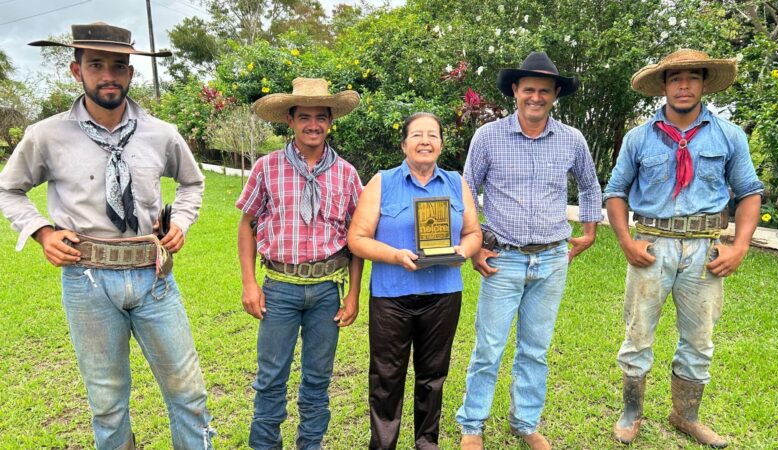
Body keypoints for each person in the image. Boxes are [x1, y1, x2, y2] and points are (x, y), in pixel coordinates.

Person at [0, 23, 213, 449]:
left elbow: (193, 183)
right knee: (107, 403)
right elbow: (10, 188)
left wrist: (181, 223)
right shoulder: (46, 135)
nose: (108, 75)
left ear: (131, 74)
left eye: (118, 65)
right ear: (76, 71)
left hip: (154, 278)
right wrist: (41, 232)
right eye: (96, 64)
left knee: (188, 393)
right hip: (86, 280)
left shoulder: (161, 133)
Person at [605, 49, 763, 448]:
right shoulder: (638, 137)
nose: (683, 85)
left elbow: (749, 193)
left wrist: (740, 246)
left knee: (699, 338)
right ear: (663, 84)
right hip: (653, 246)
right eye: (675, 77)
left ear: (704, 82)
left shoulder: (729, 136)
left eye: (693, 77)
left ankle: (685, 414)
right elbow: (616, 193)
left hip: (705, 250)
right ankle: (631, 411)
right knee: (638, 333)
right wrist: (626, 241)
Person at [456, 51, 603, 450]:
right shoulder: (489, 136)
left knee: (535, 349)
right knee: (489, 347)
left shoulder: (572, 139)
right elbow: (467, 191)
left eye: (544, 90)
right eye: (528, 90)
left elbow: (590, 185)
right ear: (515, 92)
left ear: (555, 94)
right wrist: (475, 246)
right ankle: (472, 426)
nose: (535, 97)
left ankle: (526, 423)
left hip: (554, 257)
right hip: (503, 257)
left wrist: (589, 231)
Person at [236, 77, 364, 450]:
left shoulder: (347, 174)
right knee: (271, 376)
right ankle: (265, 445)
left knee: (317, 378)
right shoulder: (267, 167)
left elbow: (356, 240)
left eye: (320, 117)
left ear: (330, 121)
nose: (313, 125)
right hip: (280, 287)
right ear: (290, 120)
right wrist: (249, 283)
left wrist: (353, 294)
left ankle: (311, 444)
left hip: (327, 289)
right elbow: (247, 225)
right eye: (304, 116)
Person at [347, 112, 482, 450]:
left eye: (433, 135)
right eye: (417, 135)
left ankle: (426, 443)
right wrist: (395, 255)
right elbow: (357, 239)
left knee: (433, 378)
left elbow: (473, 233)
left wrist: (462, 251)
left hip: (443, 295)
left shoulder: (456, 182)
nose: (425, 141)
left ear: (441, 143)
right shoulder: (383, 182)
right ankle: (383, 445)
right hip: (392, 297)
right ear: (404, 143)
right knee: (386, 378)